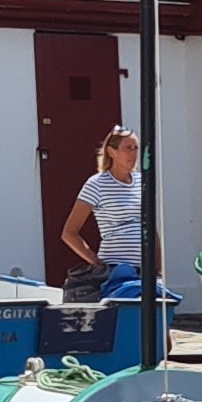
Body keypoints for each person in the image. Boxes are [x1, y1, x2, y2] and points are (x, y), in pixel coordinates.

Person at [61, 125, 147, 294]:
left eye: (135, 148)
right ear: (111, 152)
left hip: (144, 269)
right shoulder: (97, 184)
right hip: (116, 270)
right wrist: (97, 263)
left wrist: (157, 267)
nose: (133, 153)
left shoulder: (142, 182)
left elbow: (150, 227)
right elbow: (69, 233)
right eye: (127, 148)